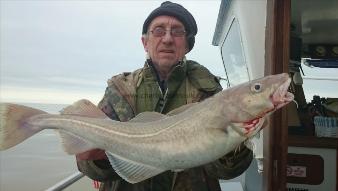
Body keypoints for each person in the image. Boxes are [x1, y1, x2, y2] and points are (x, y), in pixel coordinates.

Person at [76, 1, 253, 191]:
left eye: (177, 31)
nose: (167, 39)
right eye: (159, 30)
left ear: (187, 45)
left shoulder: (209, 92)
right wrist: (95, 160)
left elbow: (225, 171)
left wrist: (235, 141)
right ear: (145, 42)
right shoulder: (119, 89)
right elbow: (95, 170)